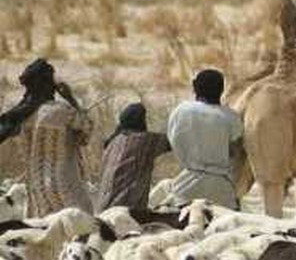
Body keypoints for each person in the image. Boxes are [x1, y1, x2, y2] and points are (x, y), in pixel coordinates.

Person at [0, 58, 93, 217]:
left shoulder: (22, 114)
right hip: (65, 185)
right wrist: (71, 99)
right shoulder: (62, 111)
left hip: (38, 188)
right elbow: (86, 131)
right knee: (79, 227)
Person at [167, 69, 243, 209]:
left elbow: (173, 139)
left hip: (186, 186)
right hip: (220, 189)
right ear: (221, 90)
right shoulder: (231, 117)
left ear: (195, 88)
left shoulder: (181, 110)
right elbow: (234, 151)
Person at [95, 103, 171, 212]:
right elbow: (174, 141)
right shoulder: (144, 140)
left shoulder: (113, 141)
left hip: (102, 209)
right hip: (127, 211)